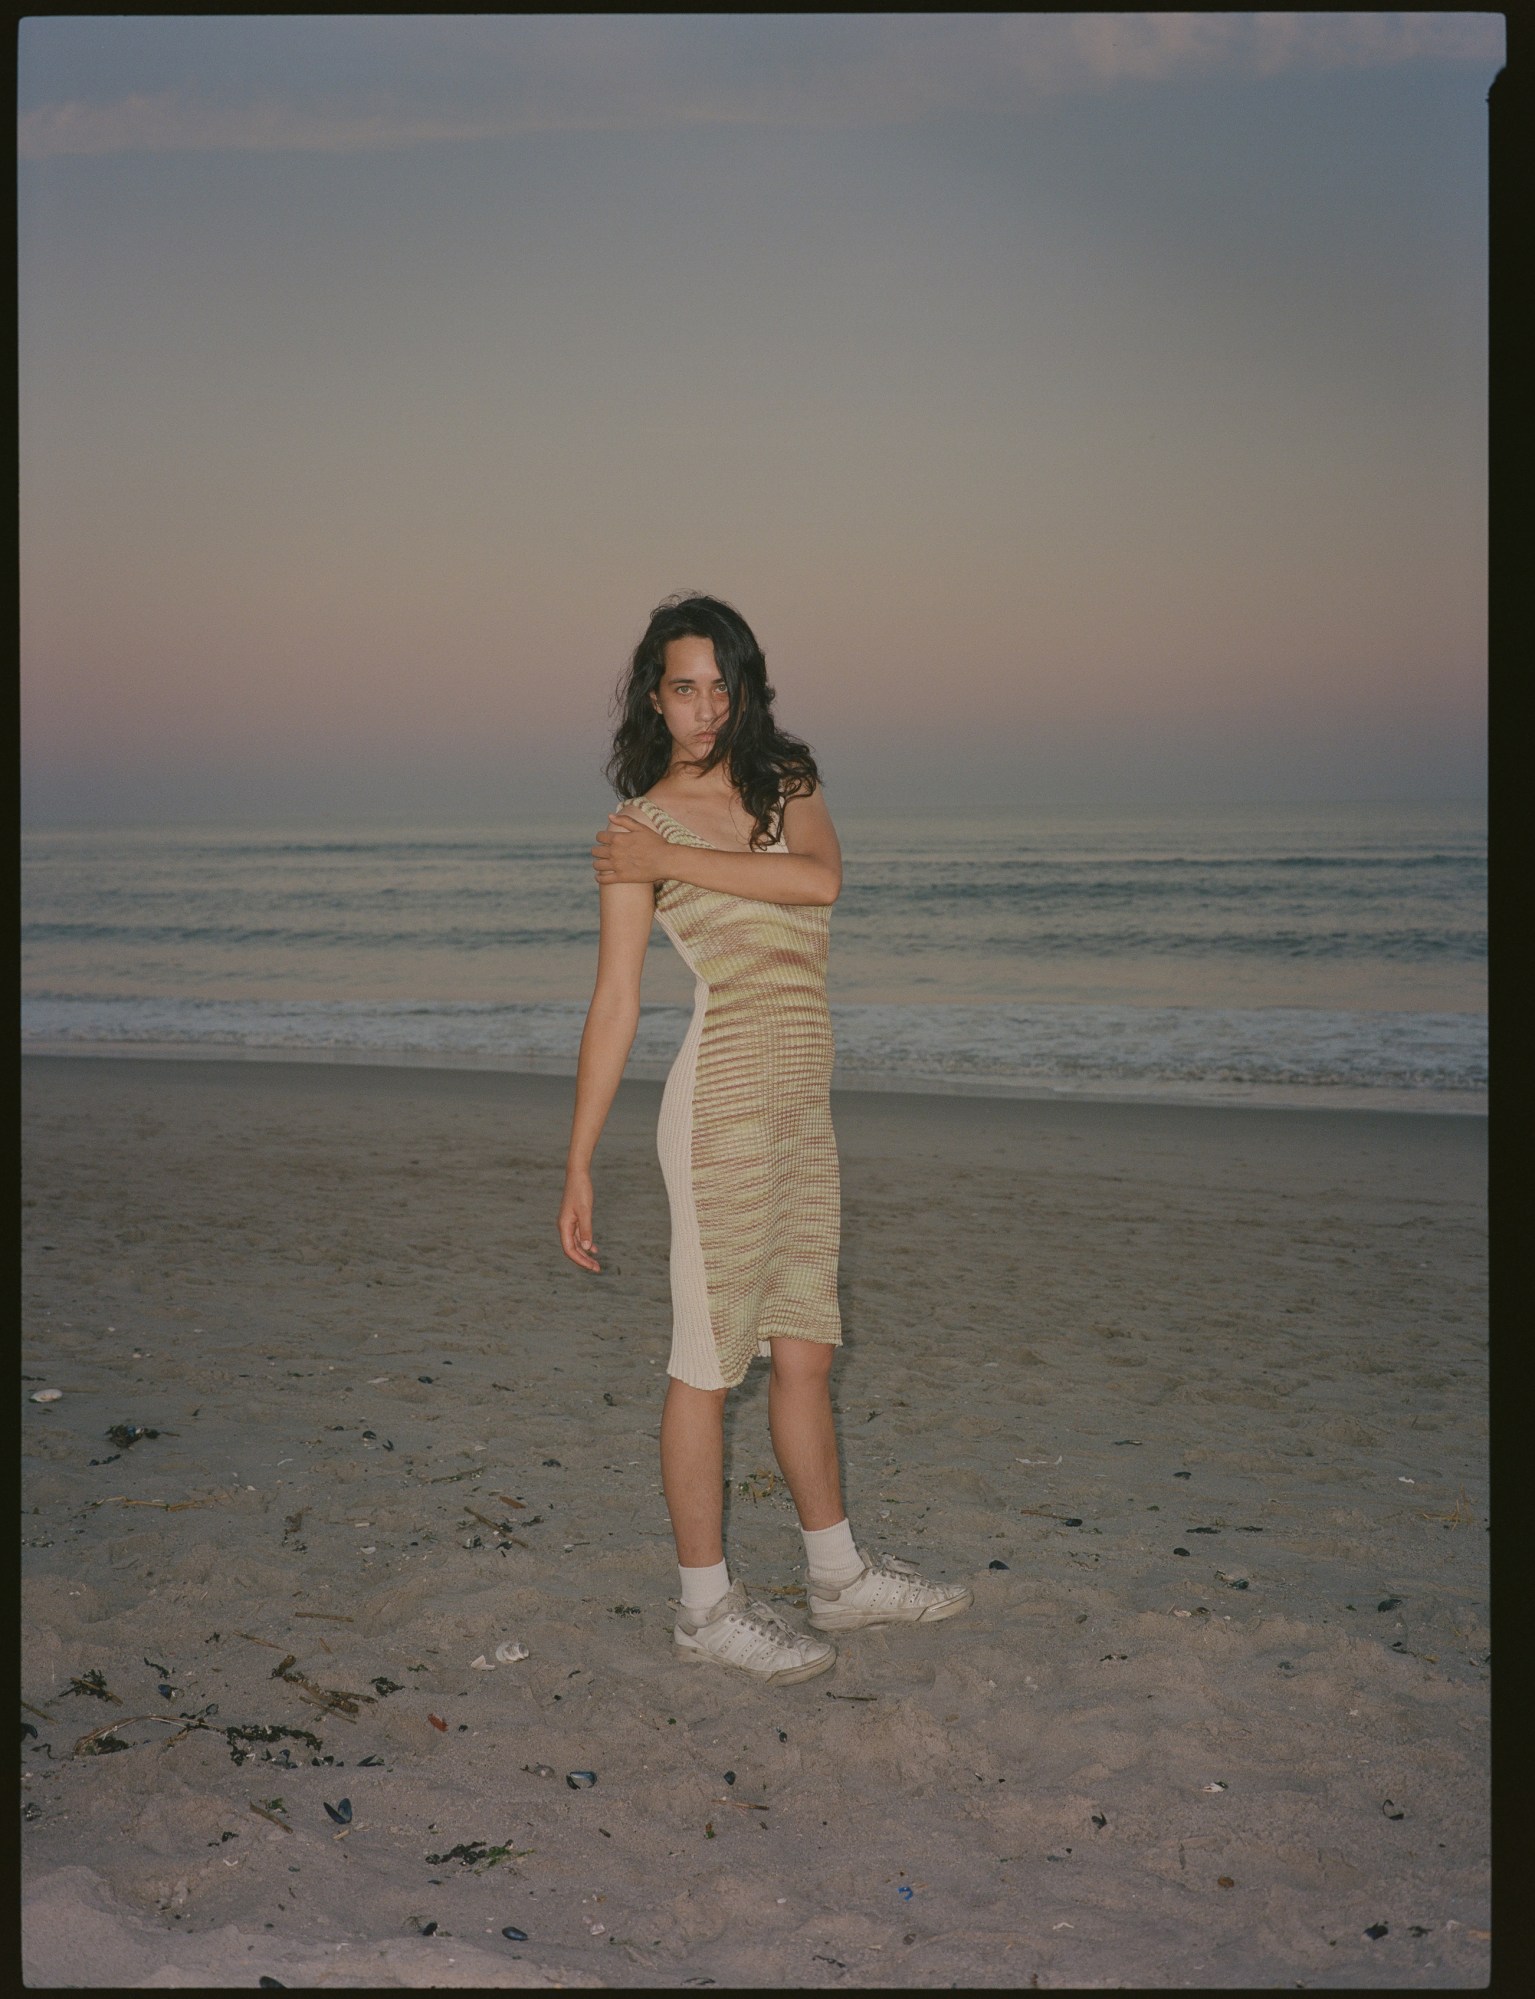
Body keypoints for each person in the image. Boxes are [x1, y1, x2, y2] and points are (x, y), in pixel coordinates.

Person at [558, 593, 970, 1684]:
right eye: (682, 686)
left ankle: (834, 1578)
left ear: (745, 689)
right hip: (717, 1109)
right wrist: (578, 1160)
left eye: (720, 683)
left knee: (805, 1346)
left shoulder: (783, 787)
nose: (704, 707)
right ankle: (704, 1608)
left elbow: (816, 879)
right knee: (706, 1362)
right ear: (654, 694)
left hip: (800, 1106)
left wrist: (674, 857)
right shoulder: (632, 828)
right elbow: (613, 1004)